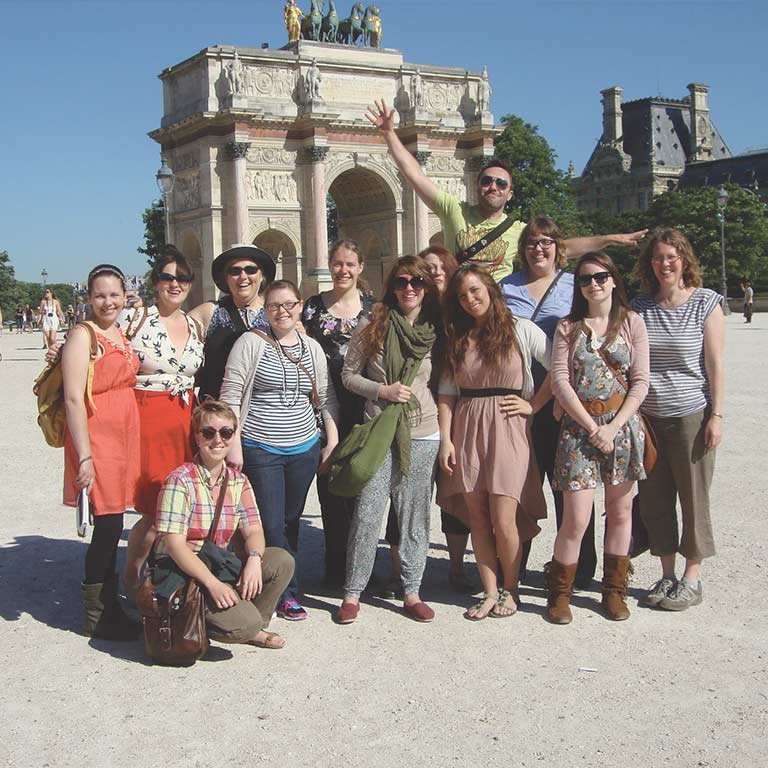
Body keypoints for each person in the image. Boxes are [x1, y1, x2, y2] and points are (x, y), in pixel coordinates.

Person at [365, 99, 647, 281]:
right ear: (477, 186)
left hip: (498, 310)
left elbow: (564, 248)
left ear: (510, 193)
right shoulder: (455, 210)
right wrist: (390, 134)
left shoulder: (520, 230)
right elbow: (415, 175)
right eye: (487, 181)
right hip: (458, 304)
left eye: (501, 183)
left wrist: (610, 238)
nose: (493, 187)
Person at [221, 280, 339, 621]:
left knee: (290, 521)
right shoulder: (250, 342)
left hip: (303, 445)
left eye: (288, 304)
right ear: (265, 311)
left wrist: (330, 438)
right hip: (260, 445)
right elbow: (231, 394)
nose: (282, 311)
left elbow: (326, 396)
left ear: (300, 306)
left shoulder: (312, 348)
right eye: (274, 306)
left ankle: (274, 583)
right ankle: (285, 591)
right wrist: (234, 444)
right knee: (270, 523)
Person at [438, 264, 551, 619]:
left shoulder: (522, 330)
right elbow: (446, 394)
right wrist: (446, 440)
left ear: (489, 288)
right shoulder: (457, 336)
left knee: (504, 516)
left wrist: (534, 405)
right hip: (467, 426)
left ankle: (510, 588)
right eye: (461, 295)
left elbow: (561, 368)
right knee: (478, 516)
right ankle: (488, 591)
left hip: (509, 426)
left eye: (474, 290)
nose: (469, 299)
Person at [335, 255, 441, 625]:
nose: (408, 289)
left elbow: (446, 383)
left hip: (423, 430)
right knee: (367, 513)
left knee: (414, 516)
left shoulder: (435, 327)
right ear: (391, 286)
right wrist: (382, 389)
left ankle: (412, 590)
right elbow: (348, 375)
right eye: (401, 282)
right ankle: (353, 592)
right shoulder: (373, 321)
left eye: (416, 282)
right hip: (379, 428)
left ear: (427, 287)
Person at [546, 252, 649, 625]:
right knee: (576, 518)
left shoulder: (632, 322)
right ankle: (560, 592)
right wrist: (592, 427)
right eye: (586, 279)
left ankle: (614, 590)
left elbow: (640, 381)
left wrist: (613, 426)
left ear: (614, 279)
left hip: (622, 426)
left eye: (601, 276)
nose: (594, 284)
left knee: (620, 513)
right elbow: (560, 380)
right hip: (579, 428)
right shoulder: (568, 327)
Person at [500, 217, 598, 588]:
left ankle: (577, 568)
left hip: (565, 399)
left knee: (570, 487)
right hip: (518, 398)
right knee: (519, 487)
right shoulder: (505, 287)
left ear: (559, 248)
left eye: (546, 242)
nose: (538, 248)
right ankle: (514, 565)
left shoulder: (576, 285)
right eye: (531, 243)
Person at [632, 228, 724, 611]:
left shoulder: (705, 302)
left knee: (693, 497)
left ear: (684, 259)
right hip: (648, 417)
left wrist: (716, 414)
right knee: (654, 499)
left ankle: (692, 577)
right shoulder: (640, 305)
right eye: (657, 258)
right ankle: (667, 573)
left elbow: (715, 364)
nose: (664, 264)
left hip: (691, 415)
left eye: (671, 256)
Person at [154, 400, 295, 649]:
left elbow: (253, 530)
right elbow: (175, 546)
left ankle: (250, 626)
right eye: (208, 432)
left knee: (281, 561)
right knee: (244, 621)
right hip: (186, 571)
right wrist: (213, 584)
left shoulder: (238, 481)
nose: (217, 440)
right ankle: (215, 623)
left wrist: (253, 558)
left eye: (226, 432)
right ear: (196, 437)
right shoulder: (179, 481)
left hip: (218, 561)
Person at [61, 264, 141, 640]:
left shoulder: (117, 332)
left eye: (114, 294)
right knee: (107, 524)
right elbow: (74, 398)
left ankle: (108, 602)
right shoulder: (83, 335)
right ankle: (98, 610)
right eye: (100, 295)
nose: (107, 301)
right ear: (88, 298)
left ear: (125, 295)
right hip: (98, 437)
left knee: (114, 520)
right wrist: (85, 455)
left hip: (122, 432)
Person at [122, 247, 205, 597]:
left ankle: (159, 578)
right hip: (149, 418)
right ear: (156, 282)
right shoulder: (135, 318)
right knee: (157, 510)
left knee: (177, 509)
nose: (175, 283)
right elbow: (96, 344)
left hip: (185, 421)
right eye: (168, 277)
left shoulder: (196, 323)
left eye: (182, 278)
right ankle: (132, 578)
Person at [302, 239, 374, 588]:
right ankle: (335, 562)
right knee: (329, 482)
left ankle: (361, 565)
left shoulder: (375, 309)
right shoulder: (312, 308)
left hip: (364, 404)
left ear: (361, 267)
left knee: (363, 482)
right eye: (337, 263)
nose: (343, 270)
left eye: (350, 264)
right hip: (324, 403)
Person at [190, 245, 276, 401]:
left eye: (250, 270)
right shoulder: (209, 312)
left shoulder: (277, 313)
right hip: (219, 414)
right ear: (226, 278)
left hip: (264, 413)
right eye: (235, 271)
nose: (243, 276)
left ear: (261, 275)